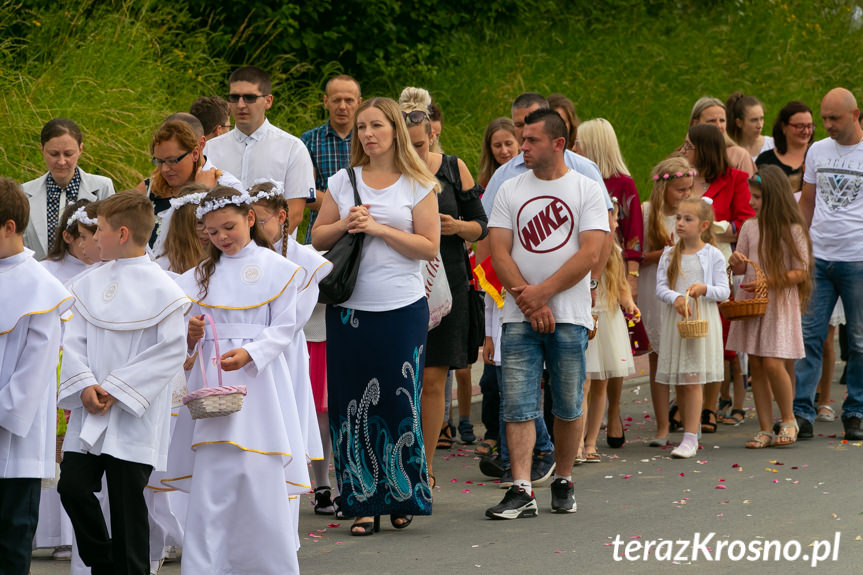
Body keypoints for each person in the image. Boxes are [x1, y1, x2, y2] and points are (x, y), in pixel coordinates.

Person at [311, 97, 439, 535]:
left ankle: (403, 496)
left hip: (401, 308)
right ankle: (360, 502)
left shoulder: (417, 182)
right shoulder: (343, 181)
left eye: (376, 126)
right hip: (350, 311)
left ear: (395, 130)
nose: (367, 134)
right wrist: (347, 223)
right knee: (351, 405)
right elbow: (317, 237)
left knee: (399, 399)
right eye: (362, 127)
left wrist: (380, 228)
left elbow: (429, 247)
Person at [166, 186, 306, 573]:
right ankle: (207, 566)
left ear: (249, 218)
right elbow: (182, 332)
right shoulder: (198, 277)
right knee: (214, 475)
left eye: (228, 227)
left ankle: (267, 565)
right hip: (212, 385)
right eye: (212, 232)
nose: (222, 237)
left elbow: (285, 327)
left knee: (257, 473)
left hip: (258, 385)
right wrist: (191, 338)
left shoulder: (278, 268)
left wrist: (252, 352)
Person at [56, 191, 190, 574]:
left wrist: (115, 388)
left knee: (128, 505)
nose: (93, 237)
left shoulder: (164, 289)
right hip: (91, 407)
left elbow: (170, 350)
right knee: (73, 487)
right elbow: (73, 340)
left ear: (123, 233)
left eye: (99, 229)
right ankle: (104, 563)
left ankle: (129, 568)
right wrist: (84, 385)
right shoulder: (86, 284)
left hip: (134, 412)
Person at [486, 108, 609, 518]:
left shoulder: (586, 189)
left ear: (558, 144)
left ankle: (564, 479)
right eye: (522, 139)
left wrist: (541, 294)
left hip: (570, 314)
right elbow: (498, 251)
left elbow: (591, 252)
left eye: (532, 140)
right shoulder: (509, 189)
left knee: (568, 403)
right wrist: (528, 299)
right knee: (517, 403)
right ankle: (522, 488)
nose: (523, 147)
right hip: (518, 315)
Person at [399, 86, 488, 477]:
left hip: (446, 282)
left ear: (432, 134)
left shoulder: (453, 167)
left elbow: (481, 226)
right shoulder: (387, 173)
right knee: (401, 377)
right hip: (400, 283)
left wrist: (457, 226)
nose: (414, 153)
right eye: (407, 145)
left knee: (433, 378)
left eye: (420, 145)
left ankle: (426, 465)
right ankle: (398, 456)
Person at [0, 178, 74, 575]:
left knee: (12, 537)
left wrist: (4, 411)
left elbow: (36, 370)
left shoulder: (42, 287)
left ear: (9, 227)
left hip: (15, 439)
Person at [249, 182, 333, 518]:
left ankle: (288, 504)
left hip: (285, 353)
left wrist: (260, 339)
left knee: (289, 422)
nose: (255, 230)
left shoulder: (305, 261)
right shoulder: (246, 258)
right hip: (250, 355)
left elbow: (294, 318)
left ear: (283, 217)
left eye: (262, 222)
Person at [794, 87, 863, 441]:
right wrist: (800, 247)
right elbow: (807, 202)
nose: (827, 125)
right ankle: (800, 413)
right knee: (808, 336)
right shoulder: (818, 150)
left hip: (858, 258)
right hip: (819, 257)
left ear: (854, 115)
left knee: (860, 339)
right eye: (824, 118)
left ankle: (856, 410)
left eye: (834, 118)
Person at [727, 166, 812, 448]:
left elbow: (800, 271)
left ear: (774, 197)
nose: (751, 202)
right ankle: (764, 427)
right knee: (757, 364)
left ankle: (788, 419)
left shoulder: (793, 230)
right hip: (753, 302)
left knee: (774, 361)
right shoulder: (750, 227)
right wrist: (736, 261)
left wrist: (770, 282)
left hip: (777, 302)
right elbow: (741, 267)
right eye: (751, 196)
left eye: (758, 197)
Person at [682, 123, 754, 432]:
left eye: (688, 146)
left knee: (719, 335)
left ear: (703, 149)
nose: (683, 151)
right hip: (684, 263)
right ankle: (685, 405)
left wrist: (714, 226)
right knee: (686, 332)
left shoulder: (735, 179)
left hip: (719, 263)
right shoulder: (684, 180)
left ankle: (713, 406)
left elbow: (746, 222)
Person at [655, 197, 729, 458]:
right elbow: (661, 287)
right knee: (681, 379)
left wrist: (703, 289)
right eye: (678, 218)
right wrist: (674, 298)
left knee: (692, 379)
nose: (681, 223)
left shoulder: (712, 255)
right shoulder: (669, 253)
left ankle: (689, 438)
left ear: (704, 225)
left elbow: (724, 290)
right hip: (678, 321)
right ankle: (691, 428)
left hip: (701, 321)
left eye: (688, 219)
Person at [204, 66, 316, 236]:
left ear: (268, 101)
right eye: (234, 97)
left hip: (273, 253)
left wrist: (260, 252)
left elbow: (295, 213)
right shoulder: (210, 149)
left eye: (249, 98)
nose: (241, 105)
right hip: (220, 250)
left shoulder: (293, 148)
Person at [638, 158, 694, 444]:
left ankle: (687, 425)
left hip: (684, 290)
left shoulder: (693, 213)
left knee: (685, 360)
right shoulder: (648, 213)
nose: (685, 195)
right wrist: (663, 253)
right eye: (679, 190)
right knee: (658, 359)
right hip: (654, 290)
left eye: (688, 189)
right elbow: (636, 255)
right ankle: (661, 426)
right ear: (663, 189)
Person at [582, 204, 638, 459]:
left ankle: (591, 441)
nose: (612, 224)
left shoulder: (614, 250)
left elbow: (620, 284)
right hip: (586, 316)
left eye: (613, 219)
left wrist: (628, 302)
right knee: (582, 383)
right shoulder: (583, 243)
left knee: (601, 382)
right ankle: (578, 444)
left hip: (608, 318)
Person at [22, 118, 115, 261]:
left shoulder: (102, 187)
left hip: (90, 275)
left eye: (68, 154)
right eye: (53, 154)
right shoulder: (25, 192)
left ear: (80, 149)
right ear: (42, 149)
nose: (61, 161)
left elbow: (111, 237)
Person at [575, 118, 644, 298]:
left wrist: (632, 277)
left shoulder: (623, 183)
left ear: (593, 146)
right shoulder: (576, 180)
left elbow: (633, 234)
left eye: (578, 143)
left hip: (613, 268)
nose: (573, 149)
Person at [135, 120, 221, 248]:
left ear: (195, 153)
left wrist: (203, 193)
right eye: (159, 161)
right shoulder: (148, 190)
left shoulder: (219, 186)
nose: (164, 169)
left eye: (172, 160)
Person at [301, 75, 362, 245]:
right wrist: (346, 209)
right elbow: (306, 192)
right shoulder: (309, 140)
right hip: (321, 235)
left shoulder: (368, 139)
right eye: (336, 100)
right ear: (326, 101)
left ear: (359, 102)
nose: (342, 107)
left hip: (362, 233)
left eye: (349, 100)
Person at [756, 101, 815, 193]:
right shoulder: (766, 161)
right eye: (800, 126)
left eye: (809, 126)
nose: (806, 131)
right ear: (784, 127)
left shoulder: (819, 156)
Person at [688, 96, 756, 176]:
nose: (719, 126)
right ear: (695, 123)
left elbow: (751, 187)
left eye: (722, 120)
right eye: (712, 121)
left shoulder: (740, 156)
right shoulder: (684, 156)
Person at [726, 92, 774, 161]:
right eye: (754, 120)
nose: (760, 125)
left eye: (761, 118)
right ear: (739, 123)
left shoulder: (773, 145)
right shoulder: (730, 151)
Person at [478, 117, 519, 188]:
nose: (504, 151)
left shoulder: (534, 173)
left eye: (508, 144)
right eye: (497, 146)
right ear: (490, 148)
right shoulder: (487, 180)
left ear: (519, 143)